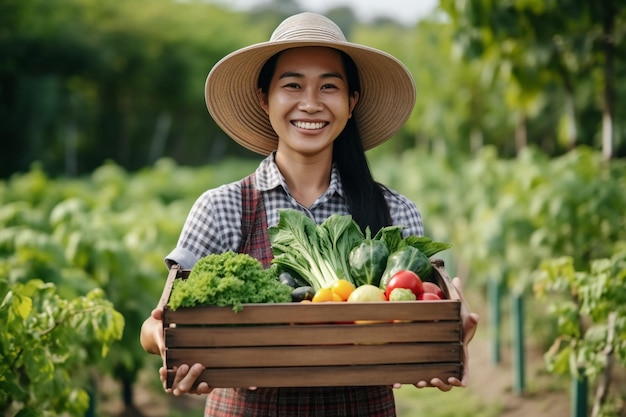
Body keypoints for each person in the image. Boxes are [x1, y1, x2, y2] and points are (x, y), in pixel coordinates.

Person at [140, 11, 479, 417]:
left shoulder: (394, 211)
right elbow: (157, 323)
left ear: (351, 102)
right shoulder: (221, 208)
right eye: (293, 85)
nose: (311, 103)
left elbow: (417, 316)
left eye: (329, 86)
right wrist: (169, 341)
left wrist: (441, 341)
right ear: (265, 98)